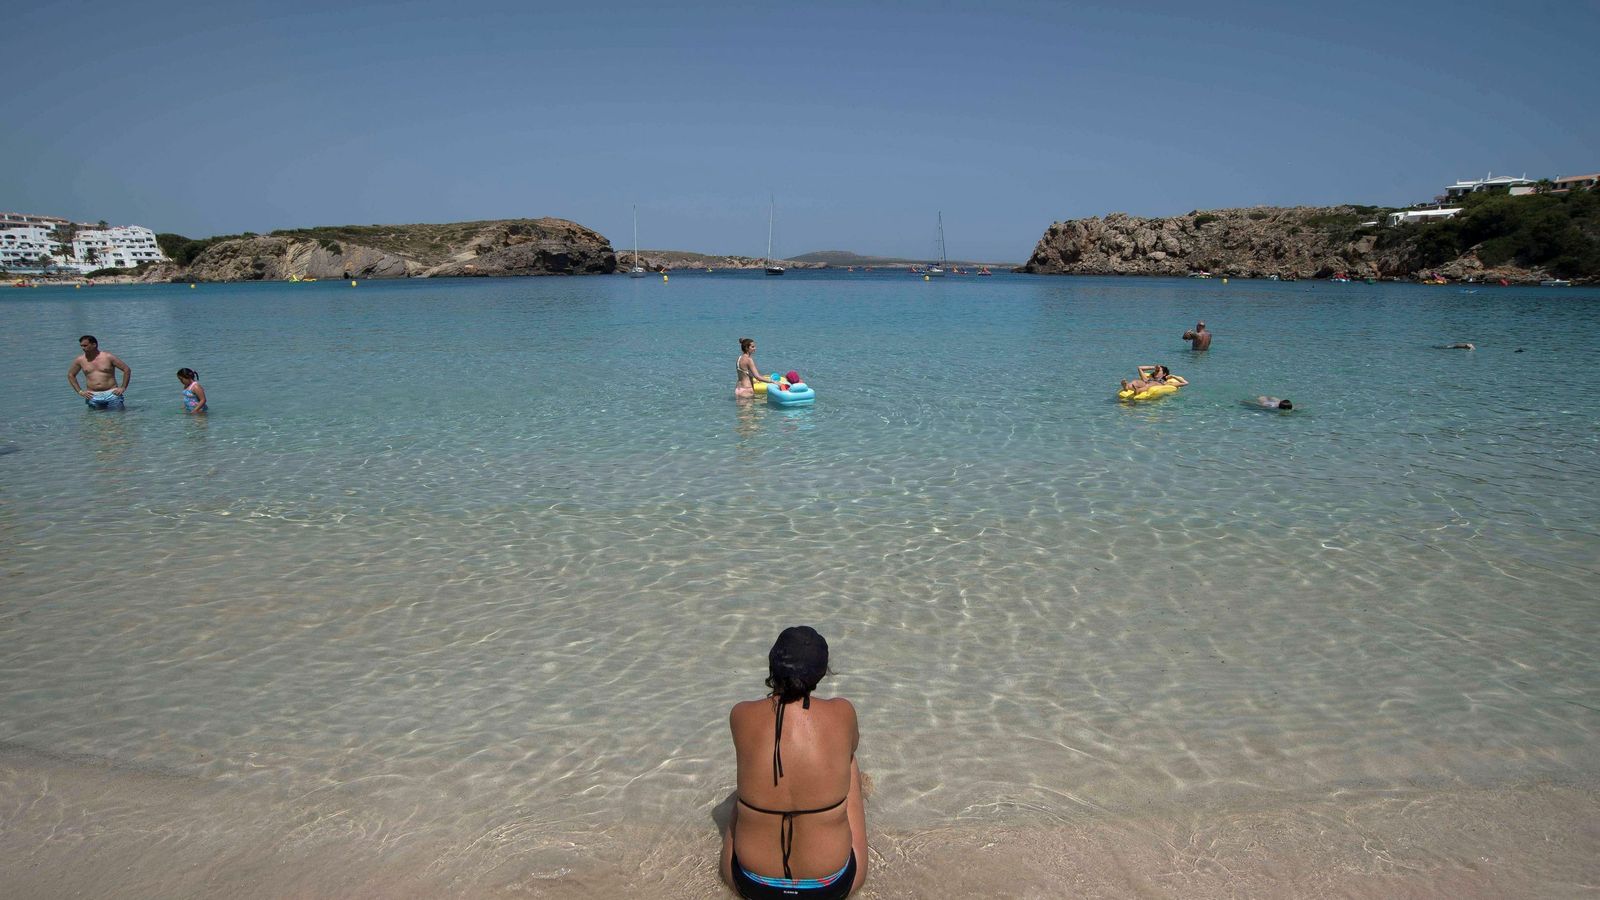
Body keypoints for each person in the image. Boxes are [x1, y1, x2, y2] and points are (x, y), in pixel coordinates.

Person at [722, 626, 867, 899]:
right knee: (848, 760)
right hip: (832, 886)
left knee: (746, 784)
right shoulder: (843, 712)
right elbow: (852, 746)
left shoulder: (740, 714)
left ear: (772, 665)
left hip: (752, 884)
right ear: (822, 672)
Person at [68, 335, 131, 409]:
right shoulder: (80, 360)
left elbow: (126, 369)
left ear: (94, 345)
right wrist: (80, 391)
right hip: (93, 396)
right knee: (96, 419)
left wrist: (123, 387)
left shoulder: (108, 357)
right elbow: (71, 375)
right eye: (81, 346)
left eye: (85, 345)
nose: (83, 348)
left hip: (112, 394)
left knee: (117, 418)